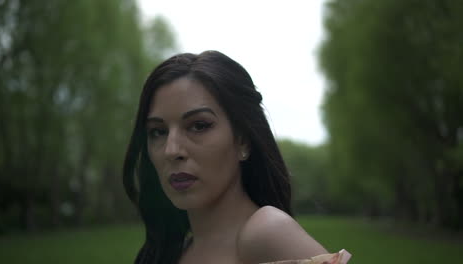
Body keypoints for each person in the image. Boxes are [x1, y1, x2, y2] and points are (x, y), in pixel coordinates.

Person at [123, 51, 349, 264]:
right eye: (158, 131)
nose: (171, 150)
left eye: (198, 126)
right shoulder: (171, 251)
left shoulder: (267, 232)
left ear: (243, 140)